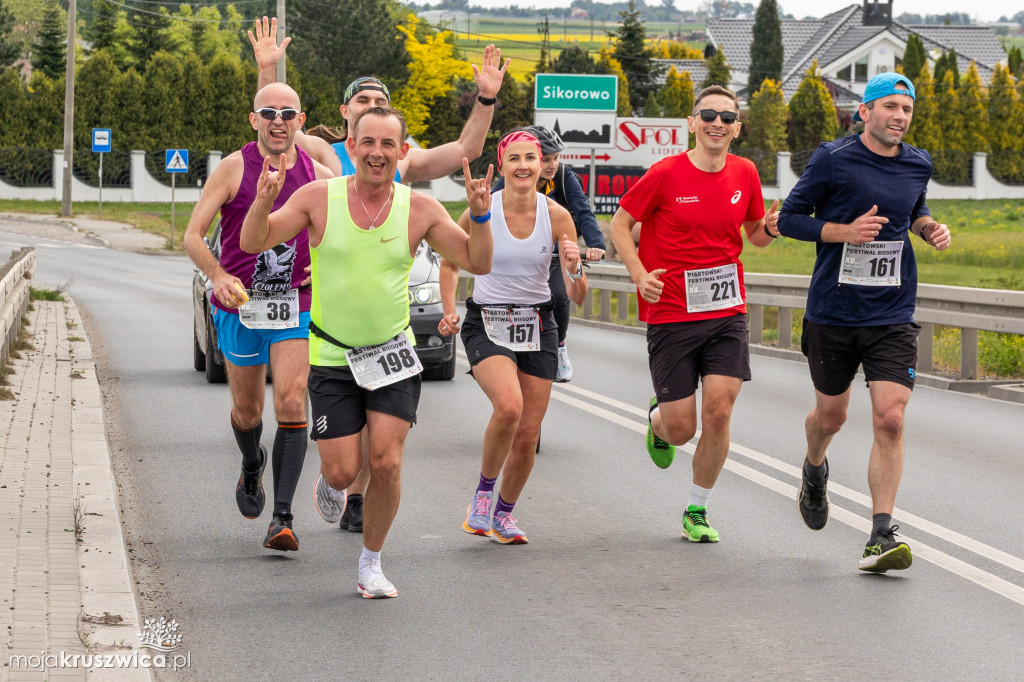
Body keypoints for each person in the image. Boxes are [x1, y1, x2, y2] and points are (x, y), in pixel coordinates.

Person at [249, 16, 509, 533]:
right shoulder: (326, 158)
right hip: (329, 305)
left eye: (381, 102)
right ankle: (341, 479)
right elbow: (276, 132)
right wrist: (267, 70)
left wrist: (485, 100)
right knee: (341, 454)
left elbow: (464, 152)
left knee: (383, 439)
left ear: (397, 137)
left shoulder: (402, 165)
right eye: (362, 103)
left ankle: (364, 502)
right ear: (346, 116)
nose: (373, 111)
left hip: (386, 320)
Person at [240, 106, 494, 598]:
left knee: (386, 463)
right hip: (333, 356)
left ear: (403, 153)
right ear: (351, 146)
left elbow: (477, 260)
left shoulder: (420, 209)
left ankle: (371, 563)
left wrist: (480, 215)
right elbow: (254, 241)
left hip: (393, 355)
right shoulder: (319, 197)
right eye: (367, 142)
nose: (377, 153)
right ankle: (331, 481)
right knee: (341, 469)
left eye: (387, 145)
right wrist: (262, 200)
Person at [772, 72, 951, 573]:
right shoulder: (833, 158)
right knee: (831, 418)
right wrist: (842, 231)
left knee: (891, 418)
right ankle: (813, 468)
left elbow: (912, 209)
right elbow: (789, 219)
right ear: (865, 112)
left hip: (892, 312)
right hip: (833, 312)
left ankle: (881, 533)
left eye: (907, 110)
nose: (900, 117)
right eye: (890, 107)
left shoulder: (918, 163)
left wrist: (928, 227)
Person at [609, 85, 777, 543]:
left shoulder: (745, 172)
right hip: (671, 313)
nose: (717, 123)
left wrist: (773, 228)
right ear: (692, 122)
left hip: (726, 310)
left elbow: (755, 235)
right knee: (682, 429)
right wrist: (639, 272)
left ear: (737, 128)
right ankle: (658, 421)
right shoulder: (665, 173)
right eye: (708, 115)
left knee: (719, 413)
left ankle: (696, 510)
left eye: (727, 117)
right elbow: (620, 224)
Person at [184, 82, 333, 552]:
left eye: (288, 113)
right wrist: (217, 274)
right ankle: (252, 465)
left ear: (300, 122)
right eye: (268, 111)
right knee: (248, 411)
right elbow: (192, 235)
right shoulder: (233, 168)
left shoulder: (319, 174)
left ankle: (283, 518)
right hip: (240, 305)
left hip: (296, 302)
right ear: (254, 120)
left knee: (291, 402)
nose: (278, 120)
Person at [439, 130, 588, 544]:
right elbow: (451, 264)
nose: (523, 165)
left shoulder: (557, 215)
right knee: (508, 406)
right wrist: (450, 308)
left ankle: (504, 514)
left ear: (542, 168)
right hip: (488, 320)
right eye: (514, 158)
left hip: (539, 324)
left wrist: (575, 268)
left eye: (531, 158)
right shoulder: (480, 208)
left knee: (528, 432)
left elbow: (577, 293)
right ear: (501, 166)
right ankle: (483, 496)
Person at [491, 124, 605, 382]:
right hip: (518, 253)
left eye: (556, 158)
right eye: (548, 159)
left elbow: (583, 211)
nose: (552, 164)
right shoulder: (509, 178)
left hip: (554, 252)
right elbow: (488, 213)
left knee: (559, 295)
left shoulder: (564, 178)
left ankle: (560, 346)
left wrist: (596, 244)